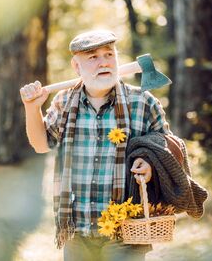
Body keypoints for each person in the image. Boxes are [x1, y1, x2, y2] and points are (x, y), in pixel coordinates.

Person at [19, 30, 172, 261]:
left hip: (127, 229)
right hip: (77, 228)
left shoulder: (142, 102)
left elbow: (168, 150)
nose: (103, 62)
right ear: (77, 66)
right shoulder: (64, 101)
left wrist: (151, 165)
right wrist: (32, 108)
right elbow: (41, 145)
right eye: (92, 57)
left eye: (109, 54)